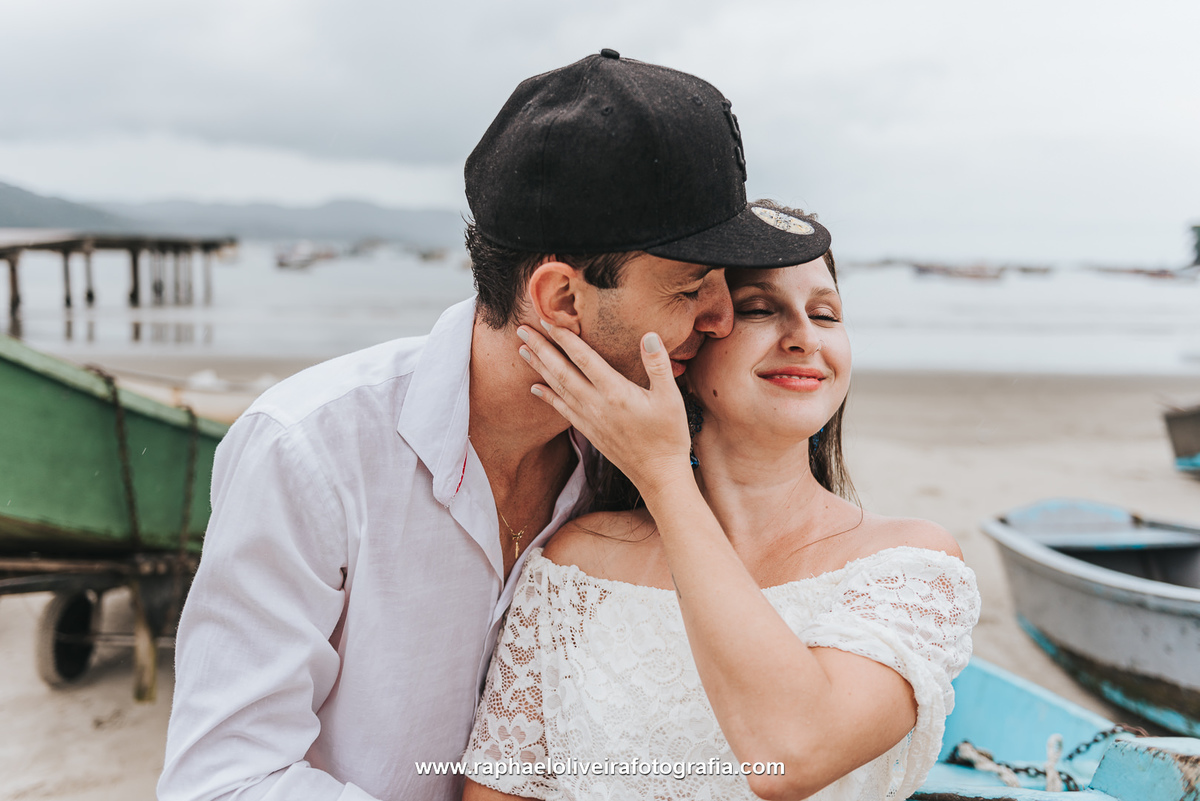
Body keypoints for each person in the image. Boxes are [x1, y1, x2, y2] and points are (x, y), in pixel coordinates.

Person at [158, 53, 834, 801]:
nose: (719, 318)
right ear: (563, 300)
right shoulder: (310, 450)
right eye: (689, 289)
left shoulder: (644, 455)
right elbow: (223, 782)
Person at [461, 205, 982, 801]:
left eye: (825, 313)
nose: (805, 337)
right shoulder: (576, 563)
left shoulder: (908, 564)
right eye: (760, 309)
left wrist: (664, 478)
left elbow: (791, 756)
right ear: (688, 342)